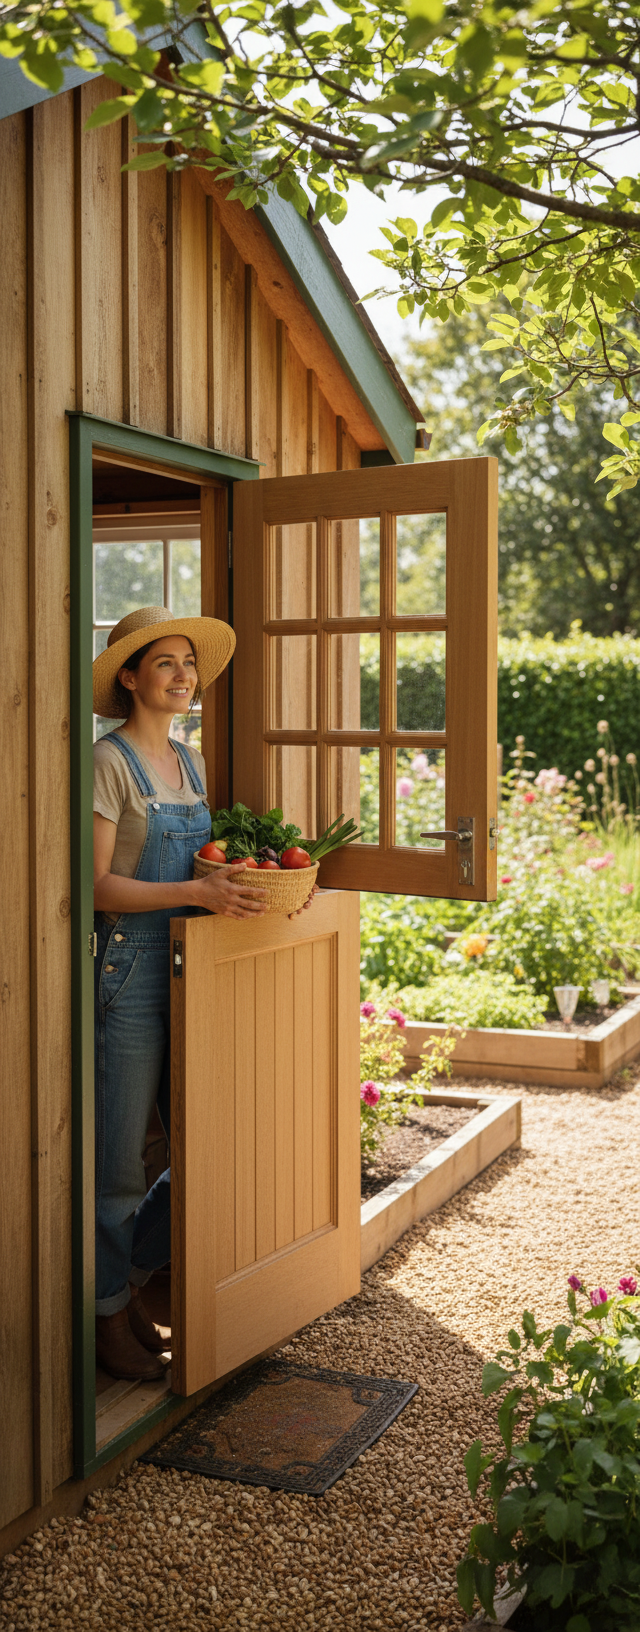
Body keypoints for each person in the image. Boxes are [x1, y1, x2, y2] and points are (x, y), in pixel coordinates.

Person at [92, 605, 268, 1381]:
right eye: (165, 662)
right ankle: (104, 1318)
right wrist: (197, 893)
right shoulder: (110, 761)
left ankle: (125, 1283)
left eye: (188, 663)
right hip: (128, 975)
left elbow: (204, 870)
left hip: (190, 968)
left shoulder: (191, 764)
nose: (183, 676)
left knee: (208, 1147)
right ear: (129, 676)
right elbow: (97, 887)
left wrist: (233, 883)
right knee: (120, 1166)